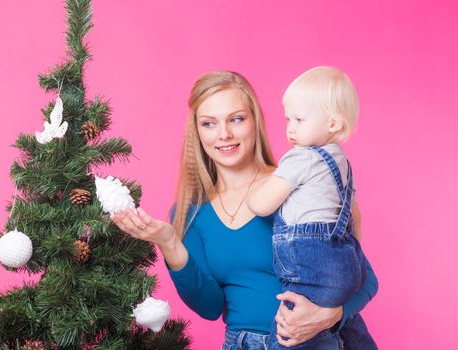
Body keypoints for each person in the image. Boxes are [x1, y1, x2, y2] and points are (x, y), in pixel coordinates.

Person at [110, 71, 378, 350]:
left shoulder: (298, 184)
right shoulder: (190, 212)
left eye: (236, 119)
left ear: (255, 121)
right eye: (209, 123)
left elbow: (365, 277)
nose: (224, 134)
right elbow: (210, 307)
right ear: (198, 131)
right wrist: (169, 243)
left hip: (311, 342)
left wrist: (328, 317)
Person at [246, 66, 377, 349]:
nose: (290, 128)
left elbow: (260, 205)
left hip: (310, 270)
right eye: (288, 119)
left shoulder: (301, 158)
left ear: (332, 124)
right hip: (347, 266)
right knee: (348, 329)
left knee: (287, 331)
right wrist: (342, 255)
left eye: (299, 119)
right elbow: (356, 217)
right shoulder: (342, 165)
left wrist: (256, 189)